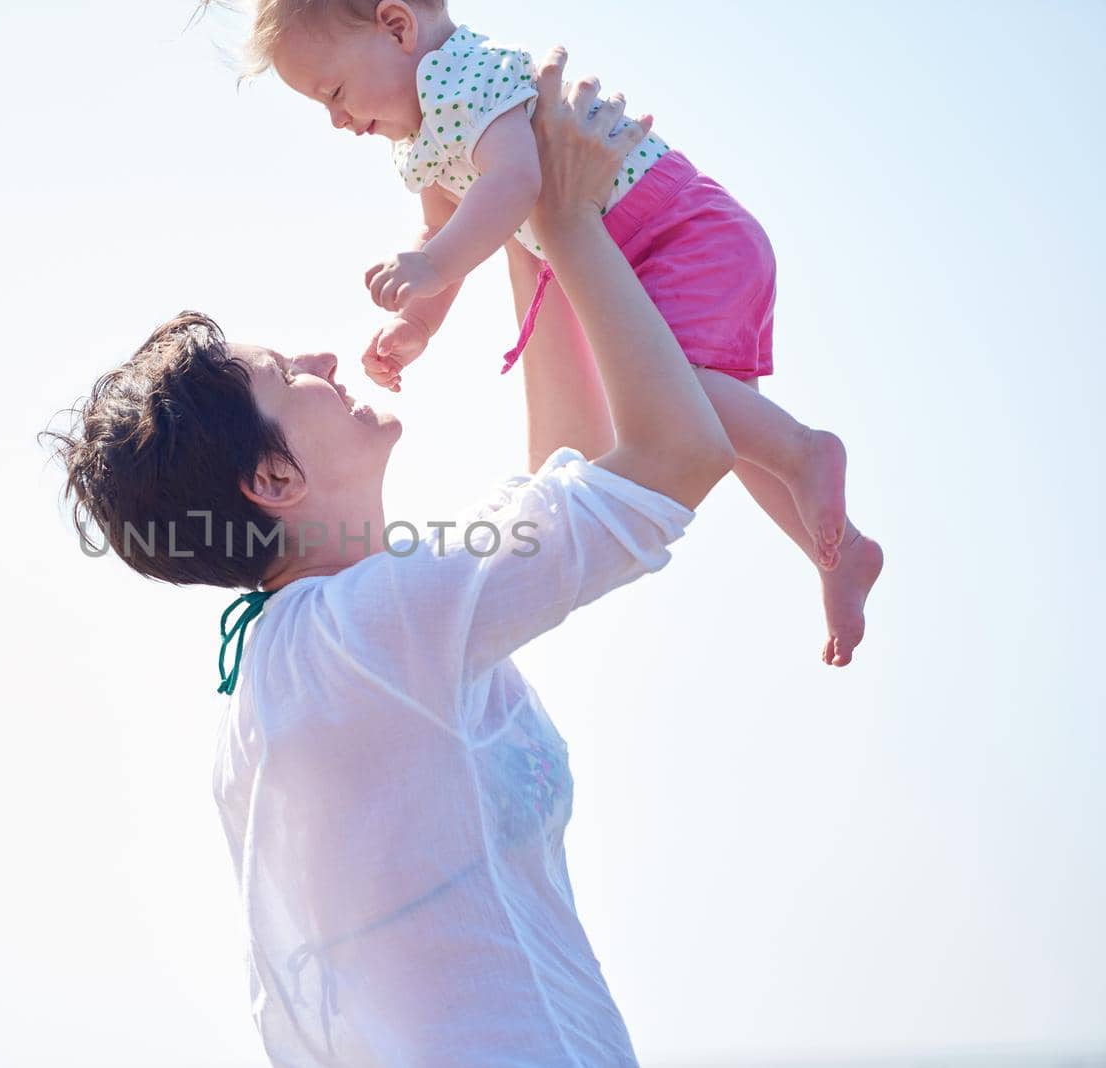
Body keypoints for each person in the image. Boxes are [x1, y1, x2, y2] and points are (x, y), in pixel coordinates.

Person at [44, 54, 733, 1066]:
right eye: (288, 375)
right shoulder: (366, 633)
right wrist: (579, 225)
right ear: (273, 479)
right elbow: (675, 460)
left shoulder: (329, 641)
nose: (322, 359)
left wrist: (526, 225)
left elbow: (564, 475)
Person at [228, 0, 884, 666]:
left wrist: (431, 265)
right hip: (642, 255)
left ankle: (809, 452)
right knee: (731, 434)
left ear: (397, 27)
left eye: (334, 93)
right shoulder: (419, 136)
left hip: (676, 232)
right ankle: (837, 551)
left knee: (672, 396)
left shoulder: (460, 76)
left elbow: (515, 182)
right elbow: (445, 229)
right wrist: (416, 322)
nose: (337, 119)